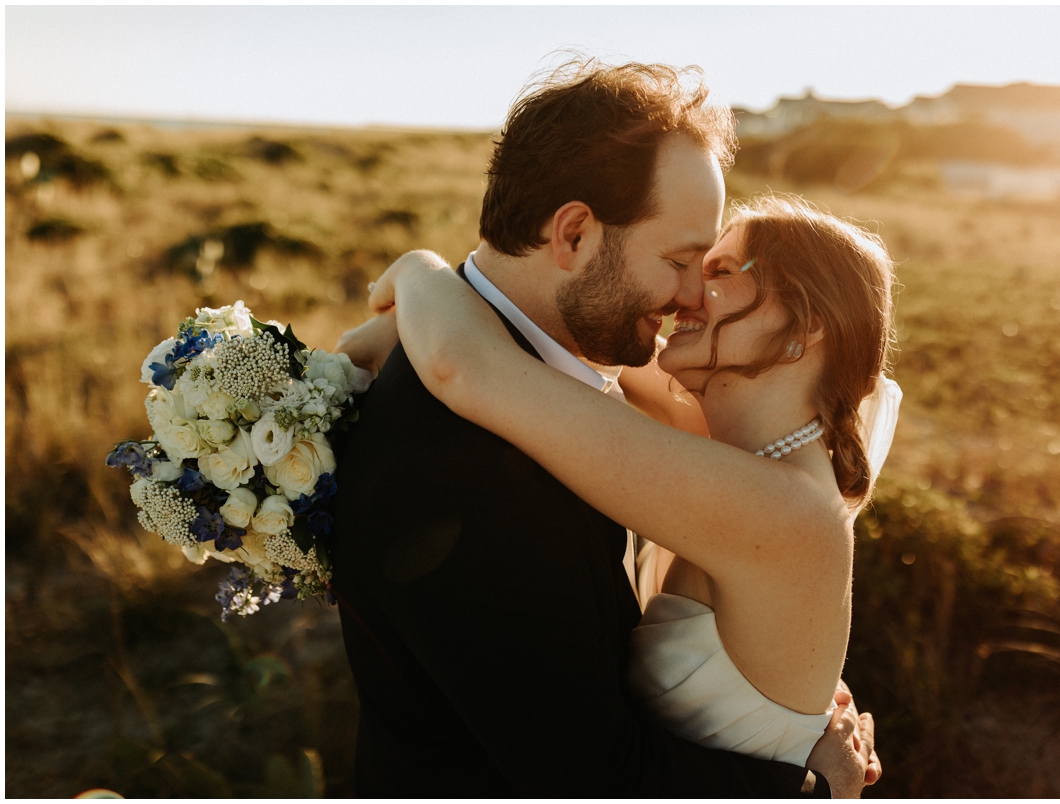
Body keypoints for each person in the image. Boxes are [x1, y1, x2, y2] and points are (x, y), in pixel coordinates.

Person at [331, 58, 881, 797]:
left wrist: (422, 275)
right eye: (686, 261)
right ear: (573, 234)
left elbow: (472, 363)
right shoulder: (463, 465)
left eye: (716, 270)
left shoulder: (600, 389)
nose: (692, 299)